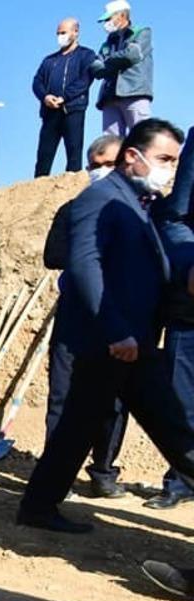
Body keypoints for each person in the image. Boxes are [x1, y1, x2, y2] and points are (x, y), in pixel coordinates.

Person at [18, 119, 194, 534]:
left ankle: (38, 506)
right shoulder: (100, 198)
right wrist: (115, 330)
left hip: (129, 340)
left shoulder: (138, 204)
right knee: (174, 428)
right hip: (112, 340)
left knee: (79, 426)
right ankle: (38, 506)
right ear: (133, 156)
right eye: (164, 159)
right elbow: (83, 266)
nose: (170, 169)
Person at [42, 133, 131, 499]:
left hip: (120, 318)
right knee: (62, 397)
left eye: (109, 164)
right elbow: (54, 255)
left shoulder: (137, 212)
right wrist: (90, 257)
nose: (101, 171)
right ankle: (55, 477)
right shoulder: (73, 209)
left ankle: (103, 470)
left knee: (114, 401)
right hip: (76, 316)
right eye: (96, 165)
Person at [148, 126, 194, 511]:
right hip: (190, 311)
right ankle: (181, 479)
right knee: (183, 404)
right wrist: (190, 263)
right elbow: (174, 217)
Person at [32, 17, 97, 177]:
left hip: (73, 110)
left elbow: (85, 80)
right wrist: (45, 97)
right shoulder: (50, 60)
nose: (60, 36)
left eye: (63, 32)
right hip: (50, 113)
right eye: (58, 33)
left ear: (75, 32)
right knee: (44, 156)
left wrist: (64, 97)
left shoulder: (86, 55)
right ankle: (39, 186)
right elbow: (37, 81)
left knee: (74, 154)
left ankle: (71, 192)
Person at [92, 0, 153, 137]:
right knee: (111, 144)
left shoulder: (141, 32)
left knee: (142, 138)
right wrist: (114, 61)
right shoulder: (108, 42)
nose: (106, 23)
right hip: (109, 96)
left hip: (134, 92)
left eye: (109, 18)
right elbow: (96, 67)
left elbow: (132, 55)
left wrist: (107, 62)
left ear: (122, 15)